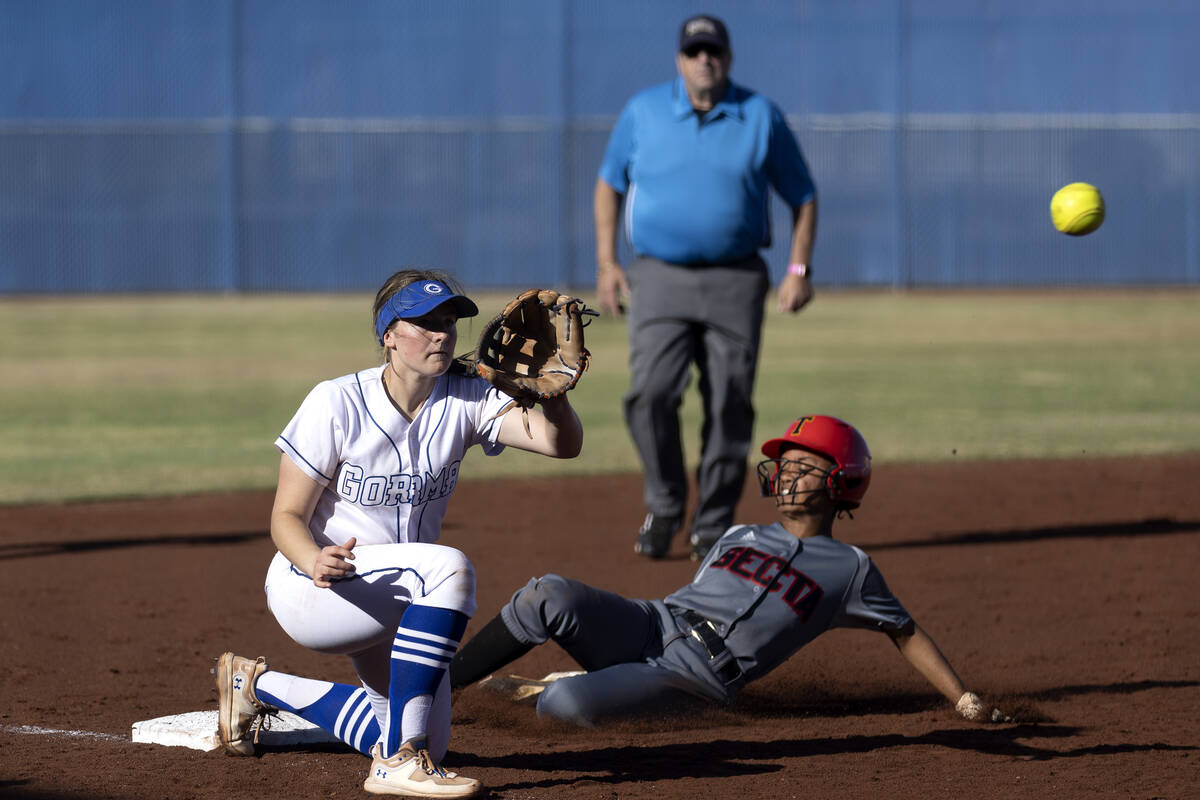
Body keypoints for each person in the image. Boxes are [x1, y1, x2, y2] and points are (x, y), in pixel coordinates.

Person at [213, 269, 584, 799]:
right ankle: (399, 762)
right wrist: (312, 559)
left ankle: (256, 685)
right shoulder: (336, 402)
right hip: (319, 586)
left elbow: (560, 445)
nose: (442, 334)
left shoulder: (467, 397)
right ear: (388, 334)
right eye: (425, 323)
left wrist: (555, 398)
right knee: (450, 567)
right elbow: (285, 517)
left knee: (434, 739)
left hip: (403, 597)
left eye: (449, 322)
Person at [448, 415, 1008, 729]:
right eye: (784, 466)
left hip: (697, 678)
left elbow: (904, 632)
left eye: (805, 469)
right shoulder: (740, 534)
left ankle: (573, 688)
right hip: (653, 623)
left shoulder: (852, 570)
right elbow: (689, 597)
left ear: (841, 483)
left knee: (566, 707)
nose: (787, 477)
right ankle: (438, 687)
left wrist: (963, 699)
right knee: (548, 594)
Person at [594, 13, 819, 561]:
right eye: (694, 51)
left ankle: (713, 522)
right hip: (659, 276)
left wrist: (798, 270)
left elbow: (803, 195)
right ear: (680, 59)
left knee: (730, 402)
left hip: (735, 278)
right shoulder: (644, 111)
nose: (704, 60)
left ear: (728, 57)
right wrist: (606, 262)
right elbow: (609, 184)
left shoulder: (759, 114)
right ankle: (667, 503)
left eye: (713, 50)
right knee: (649, 394)